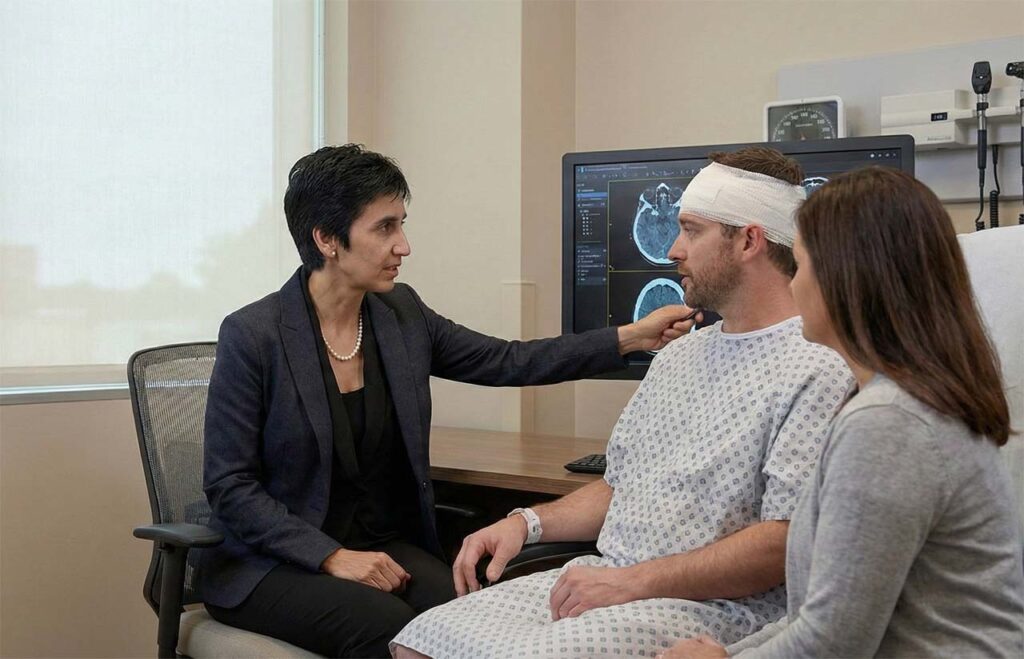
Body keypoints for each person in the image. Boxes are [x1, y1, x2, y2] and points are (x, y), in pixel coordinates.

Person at [200, 144, 693, 658]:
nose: (404, 246)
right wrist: (331, 557)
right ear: (326, 238)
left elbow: (509, 360)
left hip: (381, 547)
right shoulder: (254, 335)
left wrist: (632, 337)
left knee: (473, 616)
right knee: (390, 631)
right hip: (272, 563)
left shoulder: (400, 314)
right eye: (384, 228)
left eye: (402, 224)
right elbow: (230, 486)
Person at [391, 147, 855, 659]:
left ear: (749, 240)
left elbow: (783, 541)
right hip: (609, 583)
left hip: (712, 608)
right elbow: (621, 486)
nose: (674, 249)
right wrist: (525, 522)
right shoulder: (681, 356)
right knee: (422, 639)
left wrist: (631, 583)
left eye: (692, 230)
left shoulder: (819, 365)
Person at [658, 168, 1024, 659]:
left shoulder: (890, 425)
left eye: (802, 265)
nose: (793, 283)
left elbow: (835, 642)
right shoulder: (891, 402)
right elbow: (816, 615)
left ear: (848, 280)